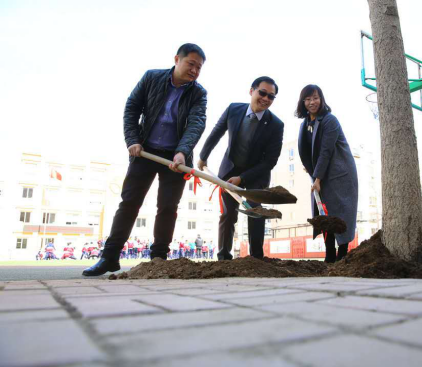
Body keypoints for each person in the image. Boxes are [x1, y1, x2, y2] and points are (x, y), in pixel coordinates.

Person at [83, 43, 208, 277]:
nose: (194, 71)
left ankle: (158, 259)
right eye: (191, 64)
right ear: (177, 59)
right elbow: (132, 108)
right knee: (129, 202)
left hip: (177, 157)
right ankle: (109, 257)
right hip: (145, 151)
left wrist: (182, 151)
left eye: (199, 68)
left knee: (168, 207)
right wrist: (132, 140)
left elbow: (196, 123)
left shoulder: (198, 93)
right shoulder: (152, 78)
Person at [198, 76, 284, 260]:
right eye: (262, 93)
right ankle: (223, 257)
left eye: (271, 96)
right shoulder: (233, 110)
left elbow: (270, 161)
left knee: (255, 211)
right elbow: (216, 133)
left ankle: (256, 258)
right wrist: (203, 157)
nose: (266, 99)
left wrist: (243, 179)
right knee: (228, 214)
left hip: (256, 175)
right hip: (229, 170)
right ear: (251, 91)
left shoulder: (276, 125)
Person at [296, 84, 358, 263]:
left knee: (340, 213)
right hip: (320, 175)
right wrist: (313, 175)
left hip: (339, 175)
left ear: (321, 99)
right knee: (323, 213)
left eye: (315, 98)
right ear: (303, 102)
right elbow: (306, 151)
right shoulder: (305, 123)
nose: (311, 102)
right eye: (307, 99)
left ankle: (343, 254)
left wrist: (317, 178)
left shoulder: (330, 120)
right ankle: (330, 253)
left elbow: (326, 151)